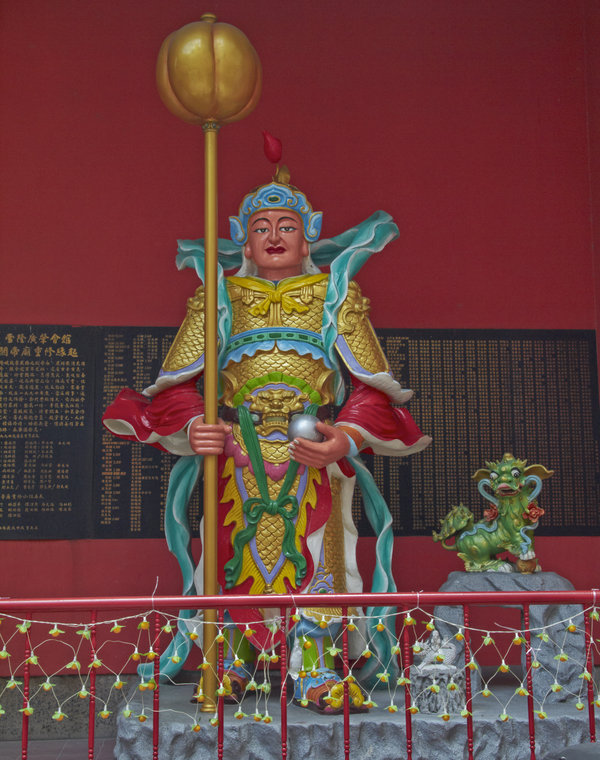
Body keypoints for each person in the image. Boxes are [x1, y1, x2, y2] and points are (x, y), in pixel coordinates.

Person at [103, 165, 431, 712]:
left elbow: (376, 393)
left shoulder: (338, 298)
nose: (275, 236)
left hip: (313, 454)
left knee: (317, 555)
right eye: (262, 226)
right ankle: (232, 663)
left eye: (287, 225)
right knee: (234, 550)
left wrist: (342, 439)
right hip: (238, 451)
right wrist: (197, 428)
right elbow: (173, 390)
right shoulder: (217, 300)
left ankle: (317, 672)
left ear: (310, 236)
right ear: (242, 240)